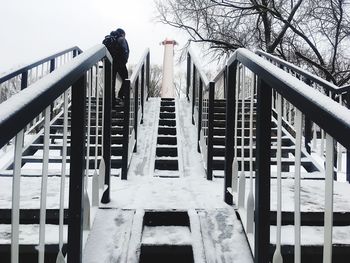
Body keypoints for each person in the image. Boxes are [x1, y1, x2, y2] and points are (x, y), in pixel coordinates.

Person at [103, 28, 129, 106]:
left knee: (112, 82)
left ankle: (112, 101)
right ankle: (121, 95)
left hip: (110, 62)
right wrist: (124, 61)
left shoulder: (110, 39)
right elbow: (125, 51)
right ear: (122, 33)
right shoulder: (122, 39)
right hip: (120, 63)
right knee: (126, 79)